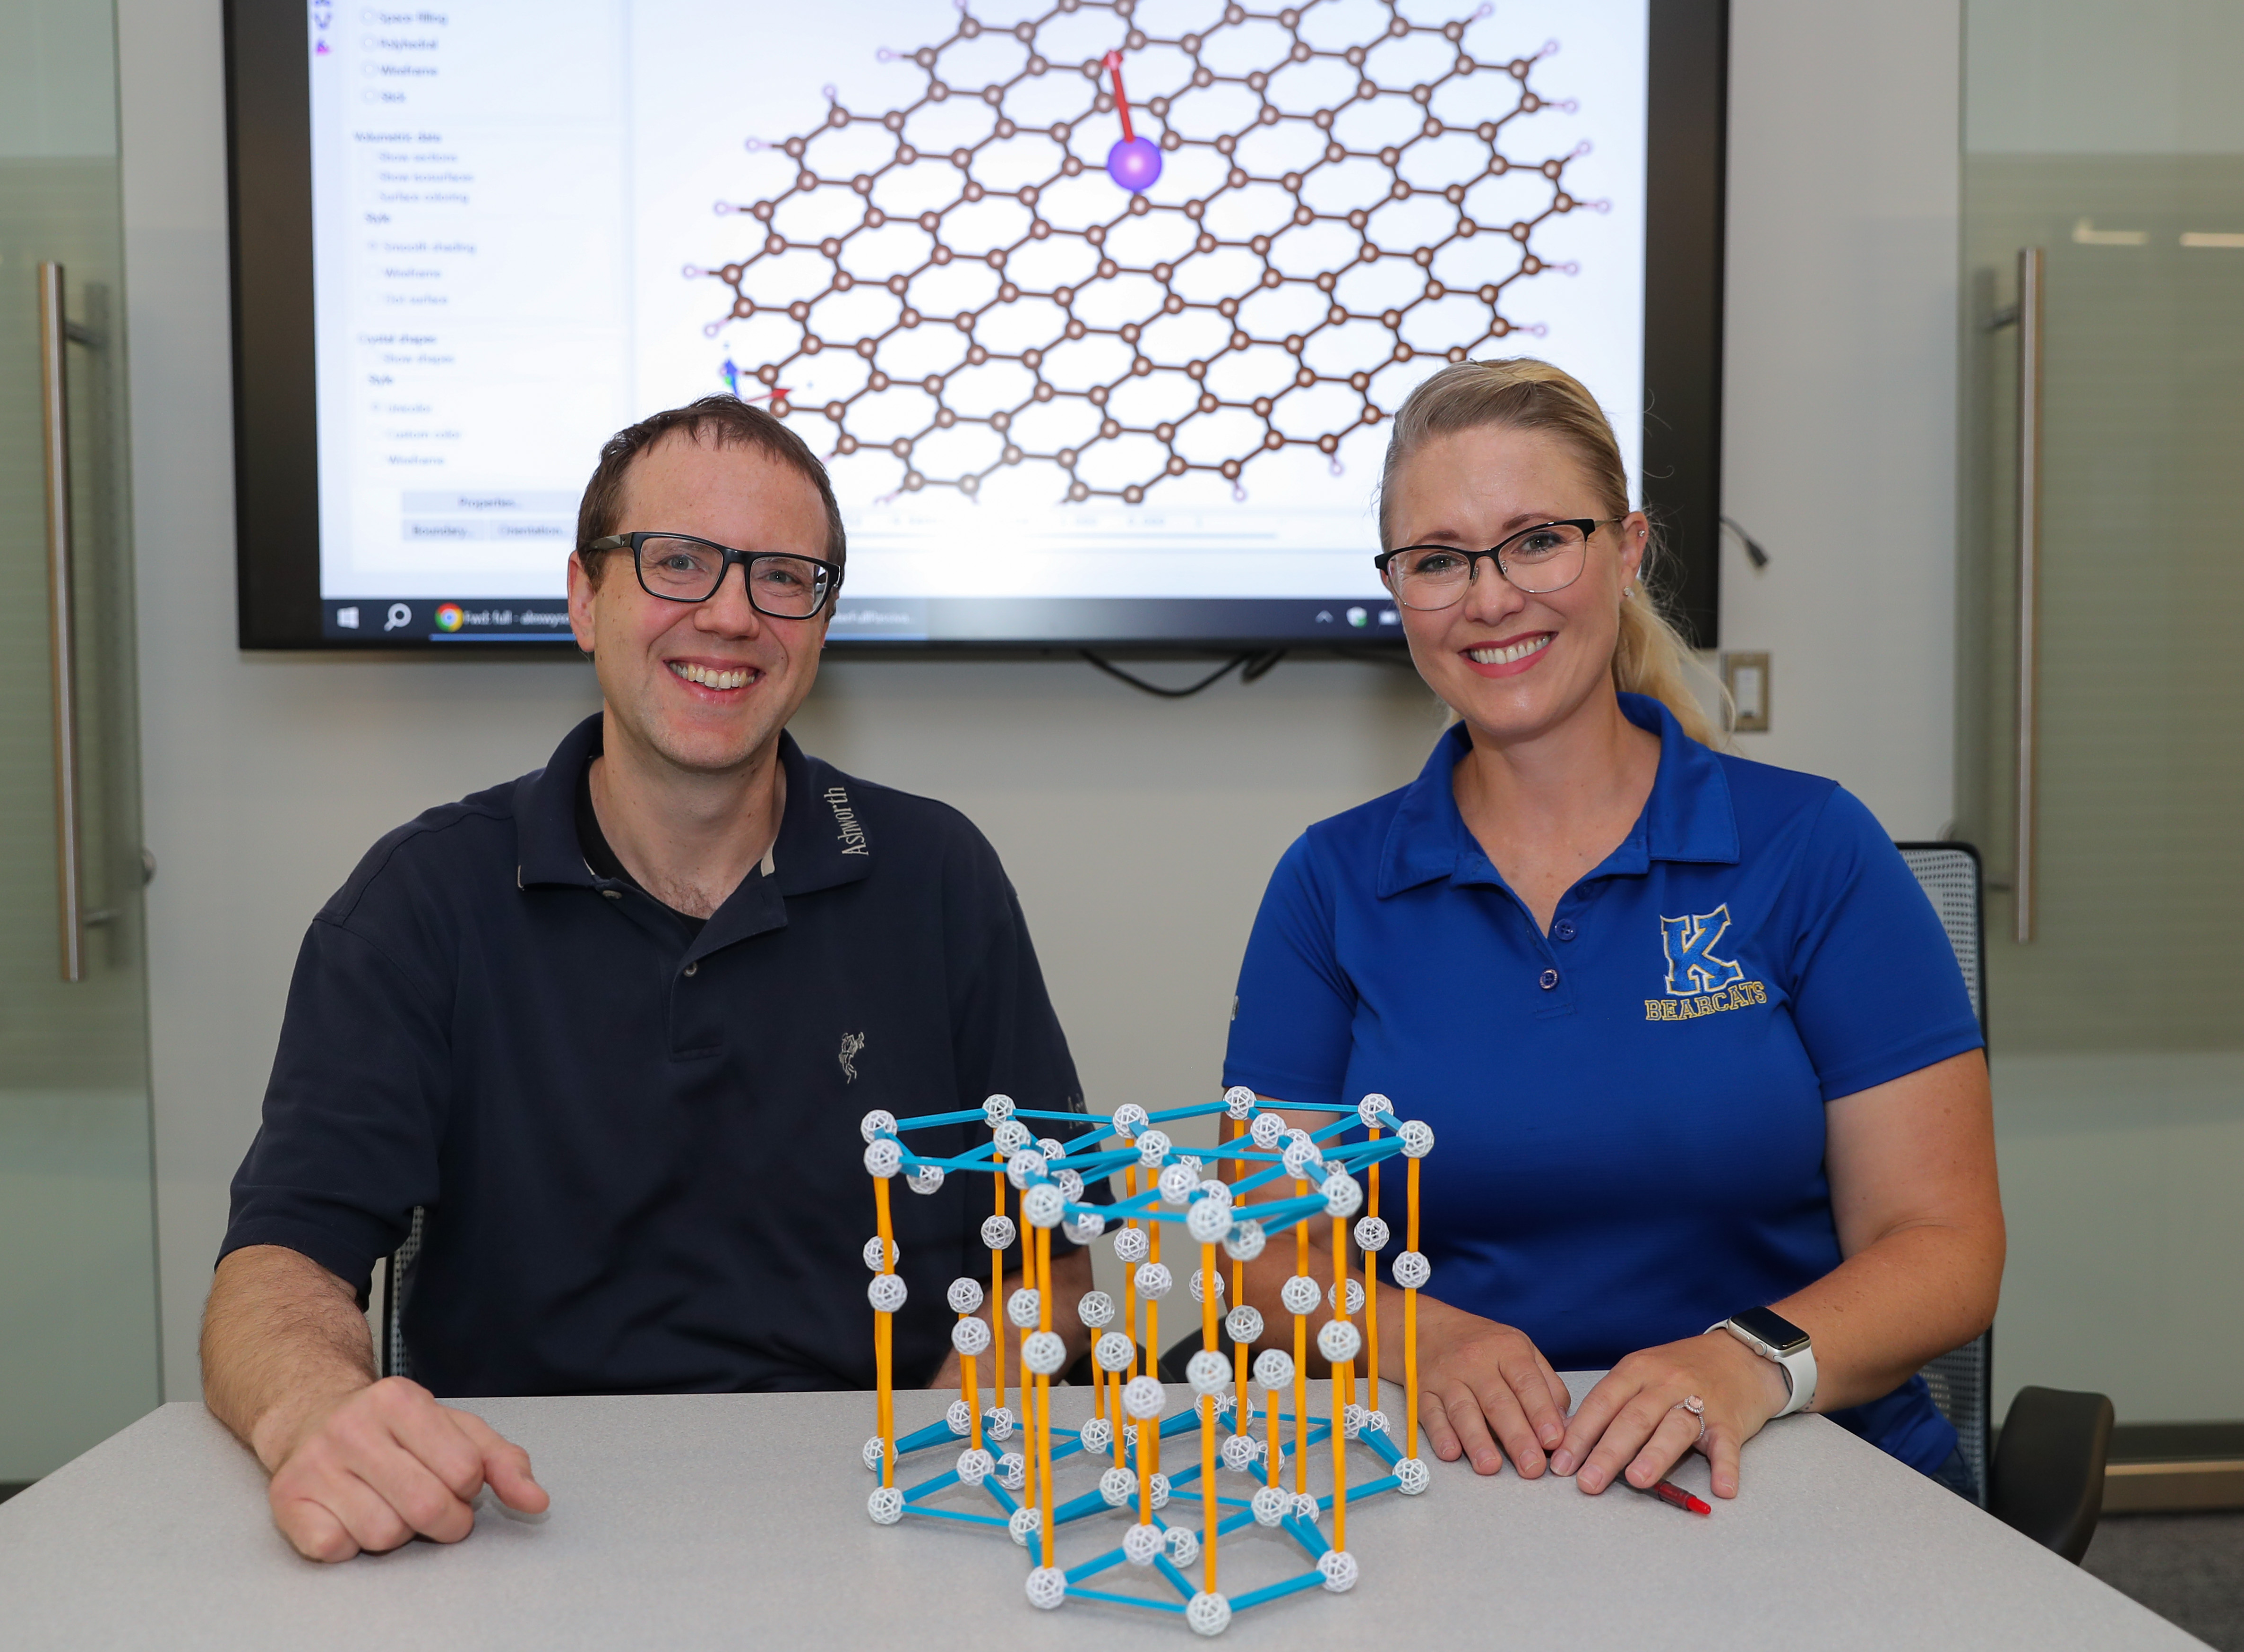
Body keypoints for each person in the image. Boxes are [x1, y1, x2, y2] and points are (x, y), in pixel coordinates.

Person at [204, 398, 1093, 1562]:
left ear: (820, 625)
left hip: (900, 1498)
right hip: (510, 1514)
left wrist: (952, 1439)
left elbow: (1060, 1254)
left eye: (784, 577)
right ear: (584, 596)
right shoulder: (422, 902)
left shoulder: (938, 877)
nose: (729, 615)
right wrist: (316, 1411)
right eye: (675, 562)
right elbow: (277, 1265)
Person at [1221, 359, 2003, 1503]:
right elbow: (1261, 1253)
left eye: (1539, 540)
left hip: (1802, 1468)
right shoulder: (1331, 885)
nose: (1490, 598)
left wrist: (1746, 1361)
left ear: (1628, 549)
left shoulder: (1815, 848)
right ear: (1398, 590)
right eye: (1438, 560)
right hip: (1467, 1486)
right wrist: (1418, 1340)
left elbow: (1945, 1247)